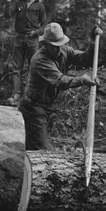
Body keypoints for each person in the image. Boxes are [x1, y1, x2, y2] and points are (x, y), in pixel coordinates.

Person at [20, 22, 101, 150]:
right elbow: (60, 81)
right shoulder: (39, 59)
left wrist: (92, 42)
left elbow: (85, 59)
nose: (58, 49)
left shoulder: (64, 50)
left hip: (47, 106)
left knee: (34, 148)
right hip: (33, 109)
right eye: (54, 46)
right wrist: (82, 80)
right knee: (40, 150)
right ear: (45, 44)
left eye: (60, 45)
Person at [4, 0, 47, 105]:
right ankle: (16, 94)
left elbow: (44, 24)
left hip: (33, 40)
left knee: (33, 67)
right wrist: (8, 0)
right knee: (16, 68)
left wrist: (37, 32)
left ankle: (28, 96)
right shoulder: (18, 2)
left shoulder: (40, 6)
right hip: (19, 38)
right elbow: (7, 15)